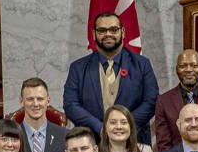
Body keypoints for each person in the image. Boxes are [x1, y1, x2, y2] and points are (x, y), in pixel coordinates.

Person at [64, 11, 157, 143]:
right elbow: (71, 104)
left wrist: (123, 127)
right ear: (94, 34)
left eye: (114, 29)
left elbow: (151, 101)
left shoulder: (142, 64)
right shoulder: (78, 68)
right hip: (91, 143)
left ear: (123, 32)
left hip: (134, 143)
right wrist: (99, 127)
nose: (108, 34)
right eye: (102, 30)